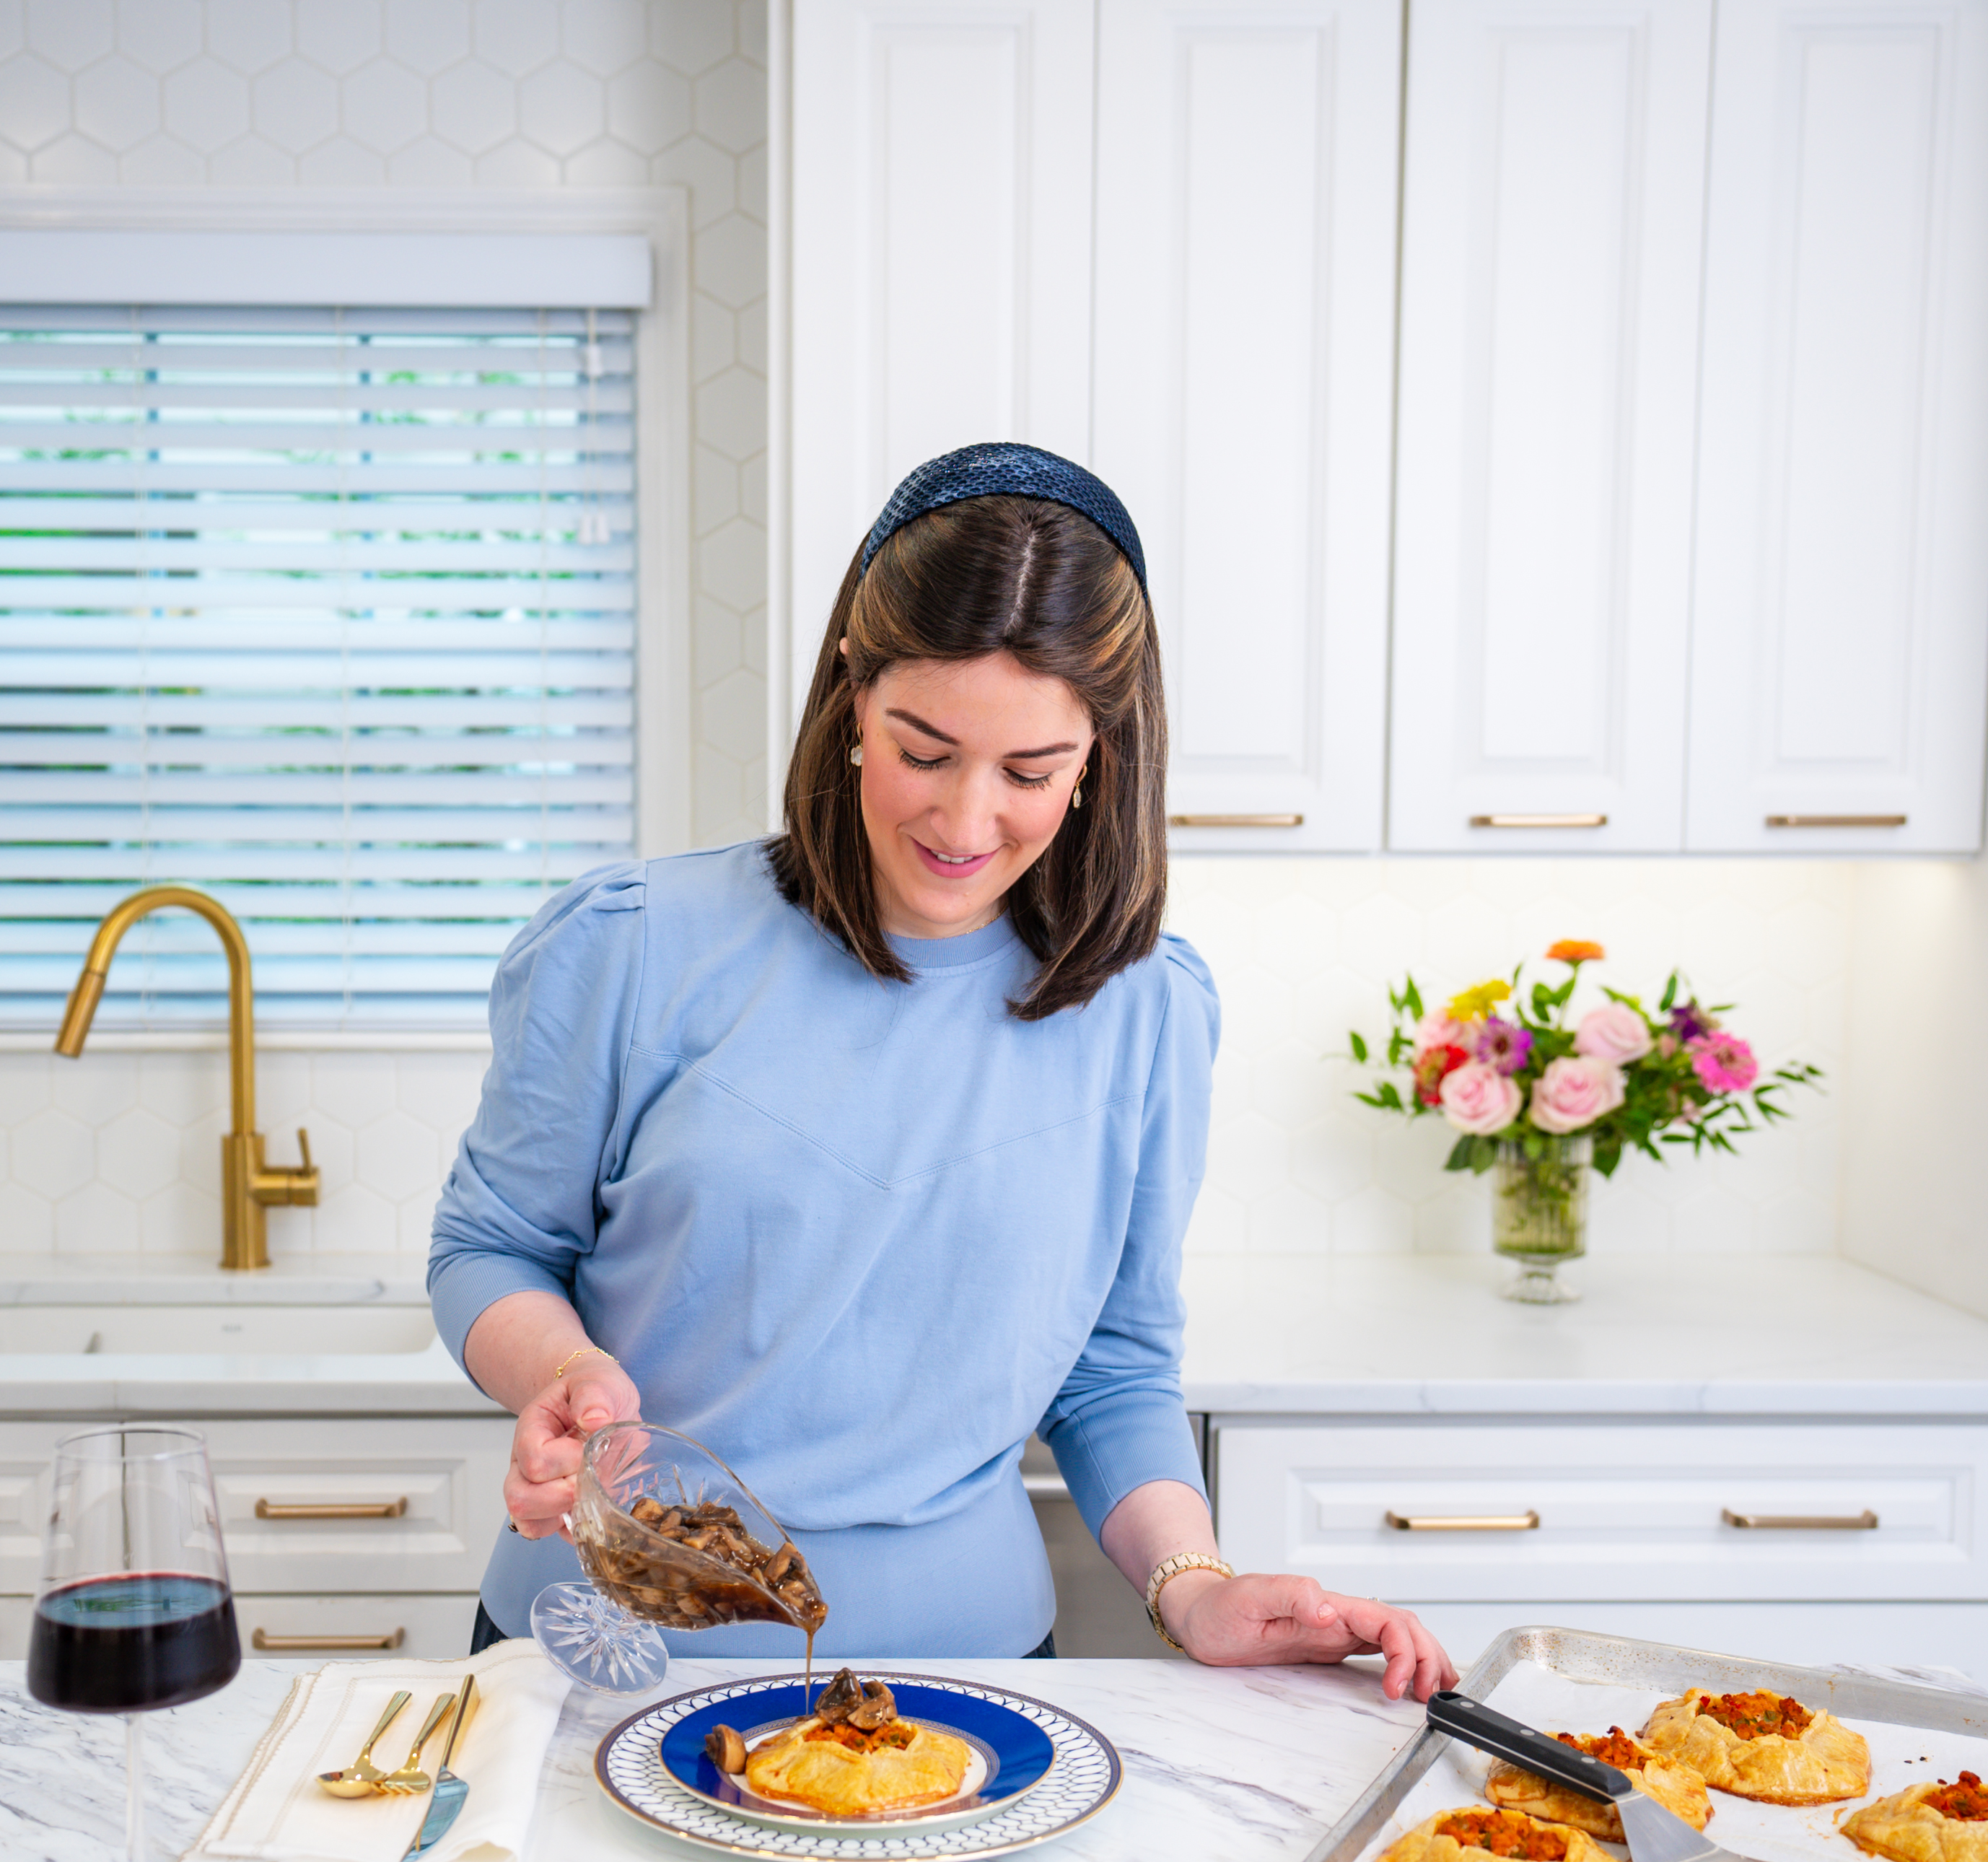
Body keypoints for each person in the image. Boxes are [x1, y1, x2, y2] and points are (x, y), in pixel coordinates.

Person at [426, 443, 1455, 1700]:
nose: (967, 824)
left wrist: (1197, 1584)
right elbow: (492, 1247)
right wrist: (563, 1373)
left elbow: (1112, 1364)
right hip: (600, 1656)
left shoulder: (1147, 1009)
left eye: (1030, 773)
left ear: (1101, 759)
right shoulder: (630, 944)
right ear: (852, 697)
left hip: (964, 1681)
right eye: (924, 751)